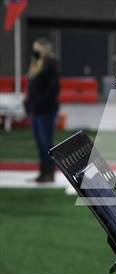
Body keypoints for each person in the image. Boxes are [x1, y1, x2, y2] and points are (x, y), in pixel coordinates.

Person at [24, 38, 60, 183]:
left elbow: (54, 89)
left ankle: (49, 173)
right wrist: (28, 102)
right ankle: (42, 172)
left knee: (47, 143)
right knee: (40, 143)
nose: (35, 52)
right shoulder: (36, 64)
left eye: (37, 48)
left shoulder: (51, 64)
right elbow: (33, 88)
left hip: (46, 110)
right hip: (36, 110)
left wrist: (39, 101)